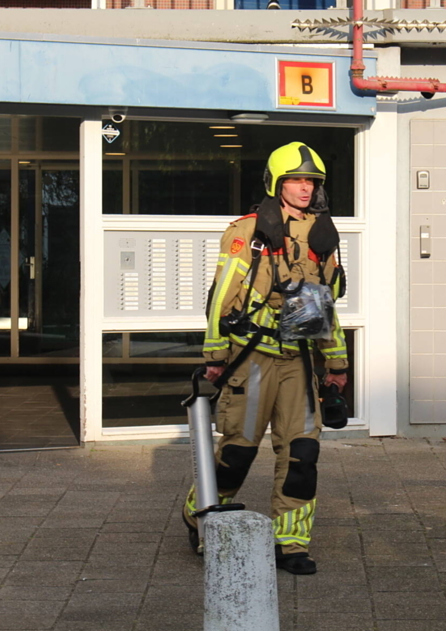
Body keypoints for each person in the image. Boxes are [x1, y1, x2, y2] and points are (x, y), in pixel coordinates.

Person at [182, 142, 349, 575]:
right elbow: (222, 296)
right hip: (250, 358)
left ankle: (290, 543)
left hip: (297, 362)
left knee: (302, 453)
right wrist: (215, 356)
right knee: (237, 451)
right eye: (296, 179)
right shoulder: (247, 232)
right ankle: (202, 518)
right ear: (276, 183)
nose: (305, 188)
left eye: (312, 181)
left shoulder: (321, 236)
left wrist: (337, 366)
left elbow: (324, 306)